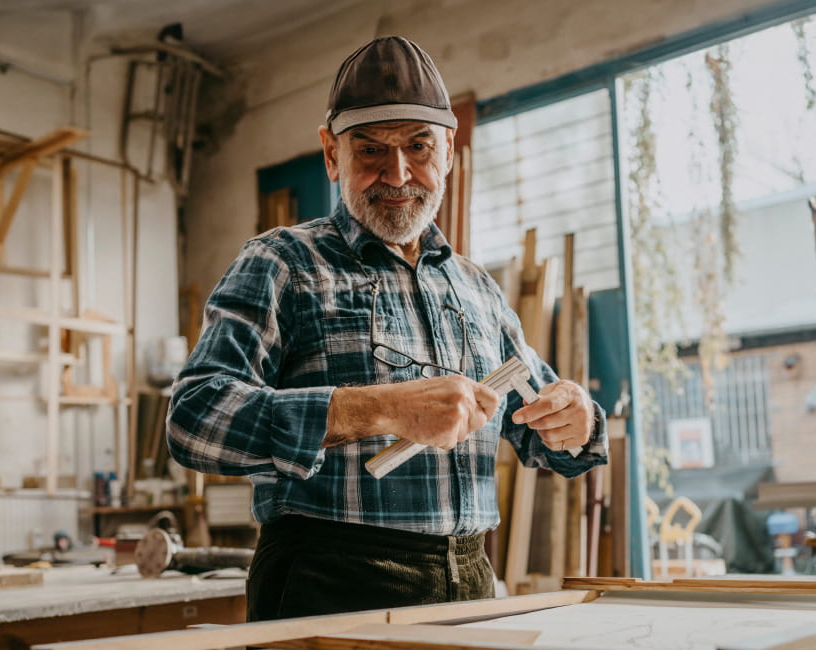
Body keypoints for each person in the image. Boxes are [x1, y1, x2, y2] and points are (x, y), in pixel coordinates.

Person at [167, 35, 607, 622]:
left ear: (448, 151)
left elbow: (540, 424)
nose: (397, 173)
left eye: (419, 146)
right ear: (331, 155)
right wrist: (376, 409)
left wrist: (575, 417)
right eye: (370, 150)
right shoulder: (281, 263)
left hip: (471, 582)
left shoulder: (478, 289)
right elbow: (194, 418)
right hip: (328, 583)